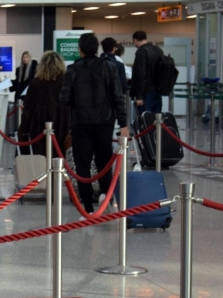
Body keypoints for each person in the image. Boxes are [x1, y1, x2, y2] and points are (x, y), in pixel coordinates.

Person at [60, 33, 128, 215]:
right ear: (96, 49)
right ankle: (105, 194)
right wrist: (123, 123)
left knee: (82, 164)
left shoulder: (72, 70)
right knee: (104, 160)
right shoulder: (109, 67)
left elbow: (64, 98)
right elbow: (117, 97)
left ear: (80, 50)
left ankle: (87, 208)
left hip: (81, 123)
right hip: (104, 121)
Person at [19, 51, 67, 157]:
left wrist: (24, 128)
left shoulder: (36, 82)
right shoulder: (65, 82)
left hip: (39, 123)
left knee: (41, 154)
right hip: (61, 122)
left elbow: (28, 107)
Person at [130, 30, 163, 115]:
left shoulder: (141, 52)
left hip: (146, 93)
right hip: (157, 91)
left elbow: (141, 74)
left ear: (135, 40)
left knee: (145, 121)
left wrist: (139, 96)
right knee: (156, 121)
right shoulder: (157, 50)